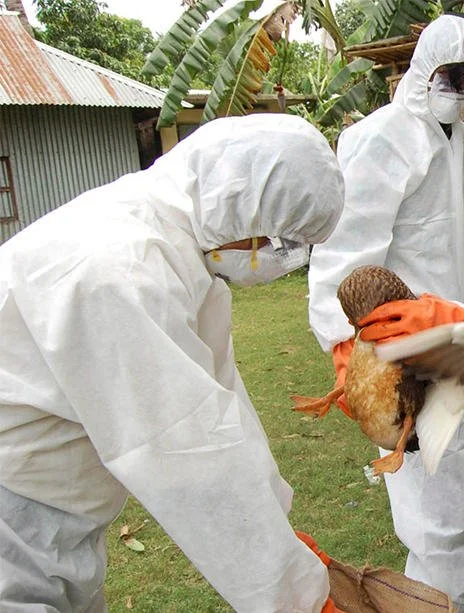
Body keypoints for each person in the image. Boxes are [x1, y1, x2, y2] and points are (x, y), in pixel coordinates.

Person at [0, 115, 346, 611]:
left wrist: (282, 529)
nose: (280, 258)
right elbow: (191, 458)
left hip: (57, 514)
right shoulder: (122, 272)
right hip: (14, 521)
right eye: (279, 242)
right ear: (237, 205)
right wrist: (295, 595)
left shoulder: (182, 254)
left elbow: (226, 412)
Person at [306, 15, 464, 613]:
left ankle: (446, 595)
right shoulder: (383, 136)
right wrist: (354, 353)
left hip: (461, 336)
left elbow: (459, 245)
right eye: (452, 74)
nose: (463, 87)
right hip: (409, 350)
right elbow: (344, 256)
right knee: (436, 509)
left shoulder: (457, 138)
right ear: (424, 68)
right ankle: (433, 602)